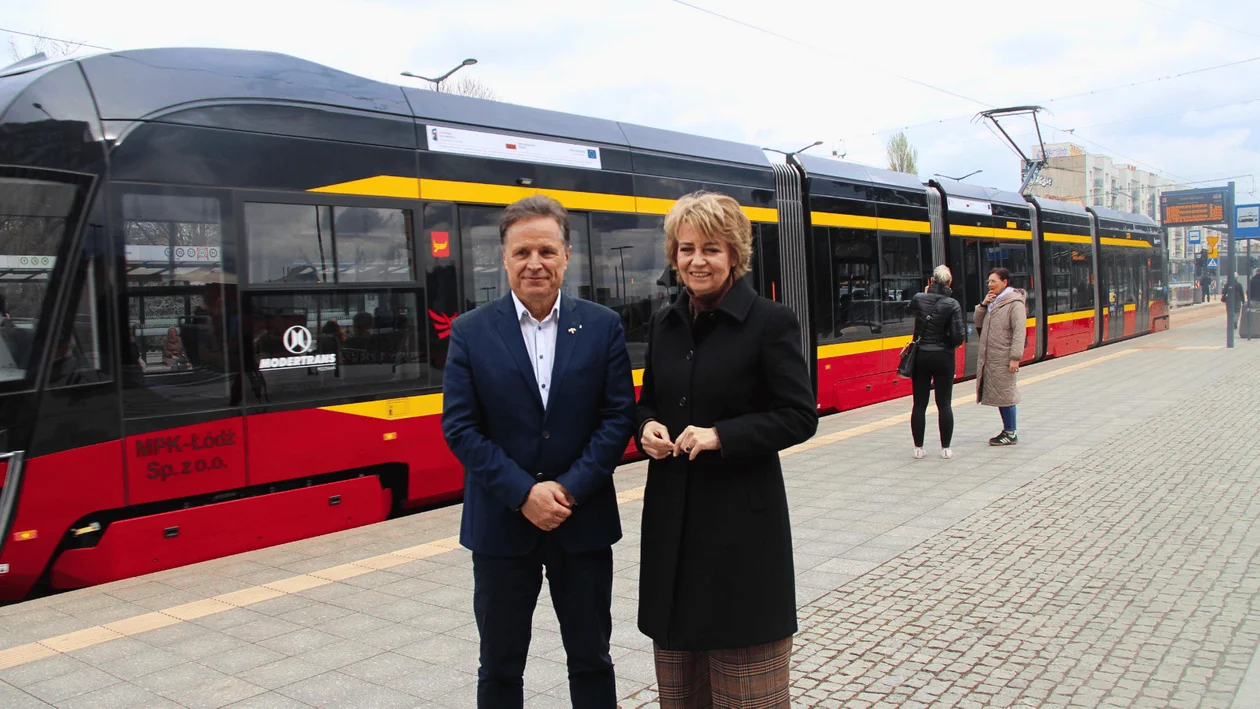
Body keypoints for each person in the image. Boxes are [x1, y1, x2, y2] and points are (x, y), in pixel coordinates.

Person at [441, 194, 635, 709]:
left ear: (567, 256)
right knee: (500, 667)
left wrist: (568, 489)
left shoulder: (601, 326)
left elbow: (617, 419)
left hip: (583, 521)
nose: (535, 263)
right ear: (504, 257)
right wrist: (523, 492)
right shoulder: (470, 332)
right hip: (502, 527)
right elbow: (460, 428)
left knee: (592, 658)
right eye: (522, 251)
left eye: (547, 251)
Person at [635, 191, 817, 709]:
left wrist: (722, 435)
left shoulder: (769, 321)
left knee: (747, 694)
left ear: (734, 254)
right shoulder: (664, 324)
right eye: (687, 248)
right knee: (681, 694)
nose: (697, 261)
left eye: (711, 249)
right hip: (674, 533)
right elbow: (648, 400)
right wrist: (646, 426)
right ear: (674, 255)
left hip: (742, 538)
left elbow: (800, 415)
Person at [907, 265, 965, 460]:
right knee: (944, 404)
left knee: (919, 404)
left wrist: (924, 296)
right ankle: (946, 449)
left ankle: (918, 449)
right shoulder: (952, 304)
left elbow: (909, 312)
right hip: (944, 357)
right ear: (949, 283)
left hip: (921, 356)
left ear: (930, 281)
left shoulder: (918, 298)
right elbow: (958, 338)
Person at [975, 267, 1027, 446]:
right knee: (1000, 395)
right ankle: (1008, 429)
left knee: (1006, 394)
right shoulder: (994, 302)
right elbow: (977, 322)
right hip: (993, 358)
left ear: (1005, 282)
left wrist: (1015, 357)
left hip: (1004, 357)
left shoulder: (1015, 303)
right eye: (988, 282)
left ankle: (1010, 432)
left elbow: (1019, 332)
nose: (990, 285)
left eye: (993, 281)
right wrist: (983, 304)